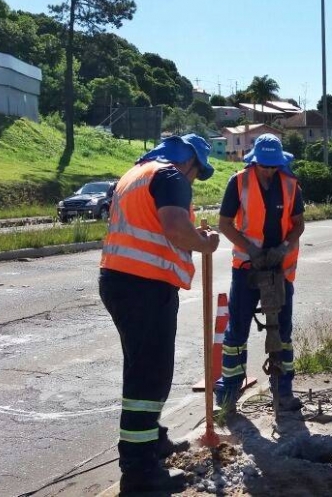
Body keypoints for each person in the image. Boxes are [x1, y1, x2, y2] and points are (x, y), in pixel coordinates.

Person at [99, 134, 221, 493]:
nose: (194, 181)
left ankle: (151, 440)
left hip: (120, 281)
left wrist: (188, 234)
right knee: (148, 379)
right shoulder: (172, 177)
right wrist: (205, 243)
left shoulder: (136, 175)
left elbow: (154, 227)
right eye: (197, 173)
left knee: (141, 370)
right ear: (190, 162)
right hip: (145, 287)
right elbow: (174, 229)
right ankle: (138, 473)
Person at [215, 133, 305, 413]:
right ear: (254, 161)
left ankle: (284, 390)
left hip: (279, 269)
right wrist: (250, 249)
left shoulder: (291, 186)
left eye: (272, 166)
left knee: (283, 331)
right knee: (236, 332)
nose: (268, 170)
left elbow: (298, 224)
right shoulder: (238, 182)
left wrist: (284, 246)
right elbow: (226, 224)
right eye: (263, 165)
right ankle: (229, 394)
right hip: (246, 269)